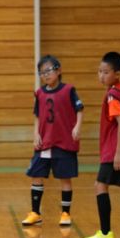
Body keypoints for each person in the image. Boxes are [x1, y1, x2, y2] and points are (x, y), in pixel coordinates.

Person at [84, 51, 120, 238]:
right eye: (99, 71)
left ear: (117, 73)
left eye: (106, 72)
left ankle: (106, 232)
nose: (101, 75)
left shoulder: (113, 96)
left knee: (100, 186)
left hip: (119, 151)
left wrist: (118, 153)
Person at [22, 55, 84, 227]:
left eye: (48, 71)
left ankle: (65, 214)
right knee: (36, 175)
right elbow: (37, 116)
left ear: (58, 70)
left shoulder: (69, 90)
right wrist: (36, 133)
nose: (45, 75)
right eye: (41, 73)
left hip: (64, 141)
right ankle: (35, 213)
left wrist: (77, 126)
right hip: (45, 142)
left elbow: (80, 109)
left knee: (65, 178)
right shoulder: (40, 93)